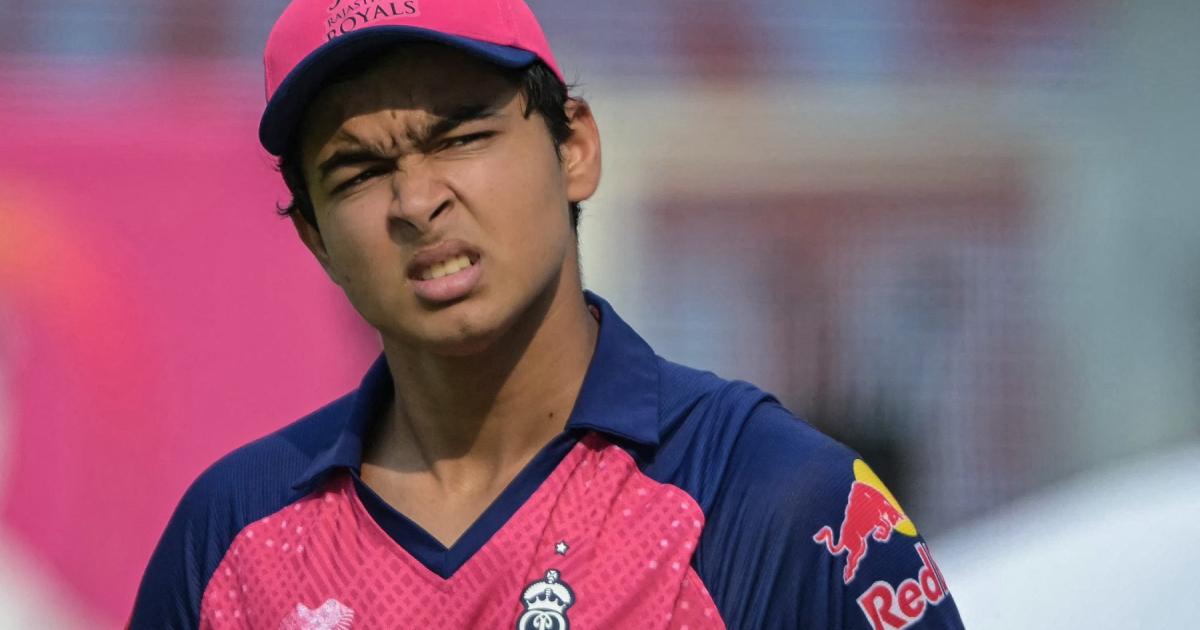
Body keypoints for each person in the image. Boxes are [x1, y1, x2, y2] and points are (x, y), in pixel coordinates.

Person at [130, 1, 967, 628]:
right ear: (314, 235)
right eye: (359, 173)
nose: (417, 202)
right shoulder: (233, 538)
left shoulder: (771, 497)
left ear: (575, 149)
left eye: (460, 137)